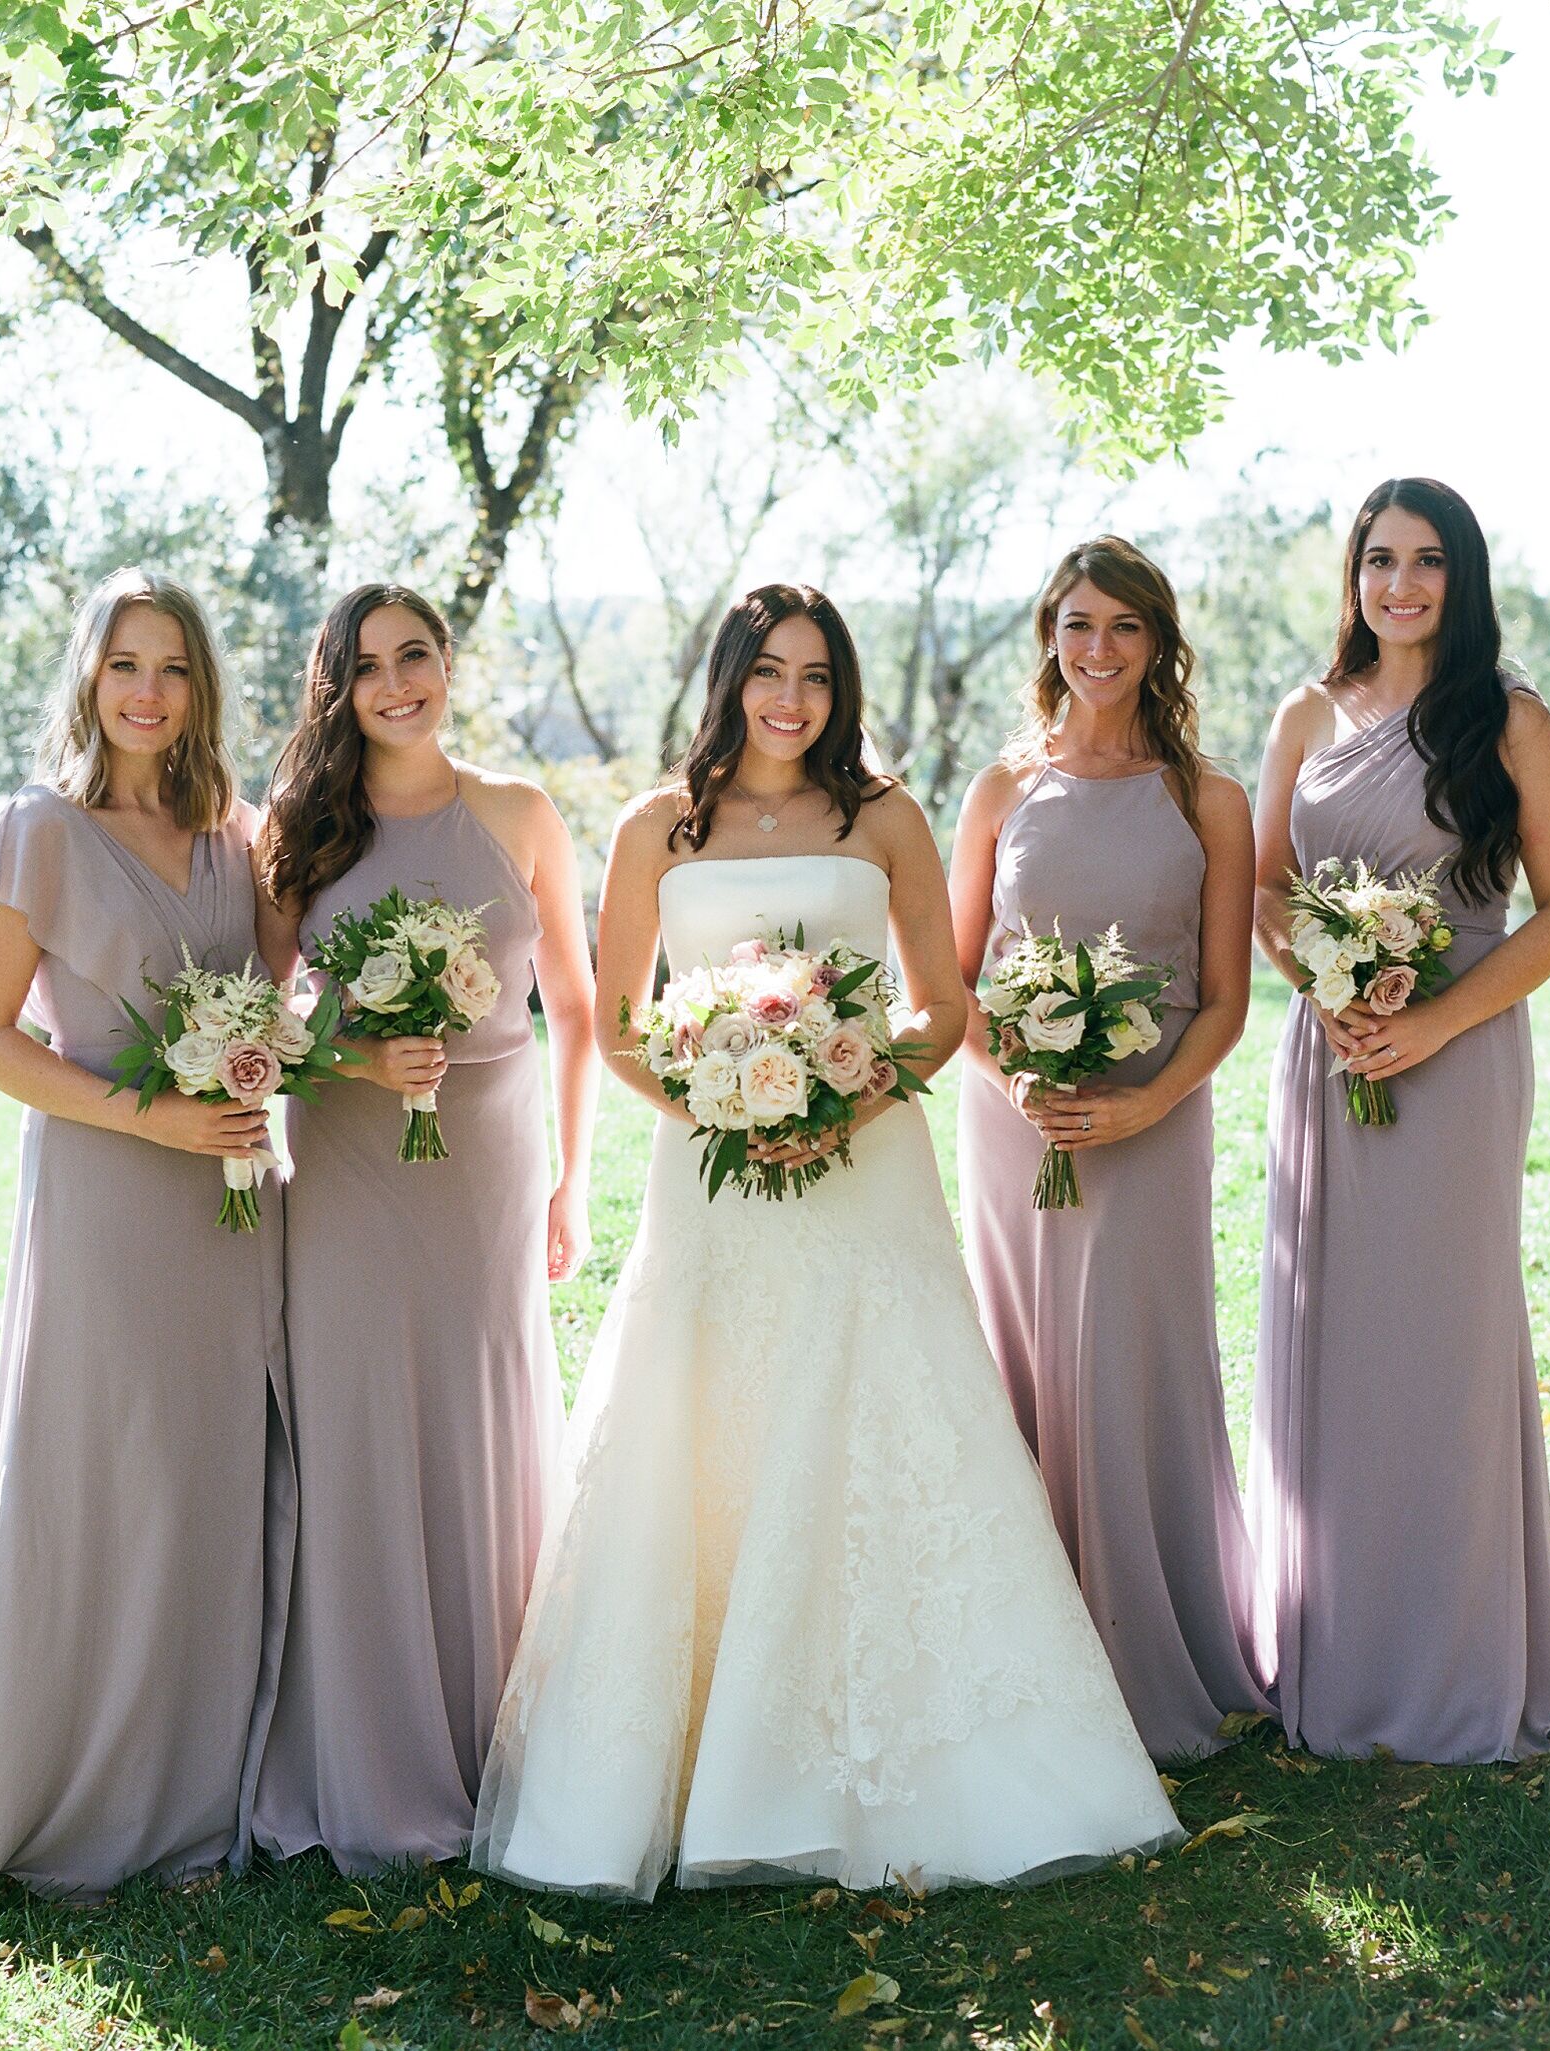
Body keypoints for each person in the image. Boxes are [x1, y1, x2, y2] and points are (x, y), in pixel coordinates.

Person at [471, 582, 1181, 1900]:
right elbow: (623, 1024)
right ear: (729, 678)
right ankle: (686, 1763)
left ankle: (935, 1752)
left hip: (869, 1170)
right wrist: (727, 1097)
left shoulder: (885, 815)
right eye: (767, 672)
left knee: (884, 1420)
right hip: (714, 1178)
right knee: (710, 1426)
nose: (790, 699)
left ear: (840, 690)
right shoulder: (653, 828)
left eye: (814, 676)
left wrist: (841, 1092)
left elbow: (943, 1002)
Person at [0, 568, 292, 1909]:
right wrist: (156, 1119)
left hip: (235, 1198)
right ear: (90, 675)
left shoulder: (233, 834)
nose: (148, 691)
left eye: (174, 667)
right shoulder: (39, 829)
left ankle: (208, 1783)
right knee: (114, 1474)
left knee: (218, 1474)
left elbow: (277, 989)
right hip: (110, 1195)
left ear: (202, 689)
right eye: (126, 663)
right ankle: (86, 1788)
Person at [244, 583, 598, 1875]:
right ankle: (376, 1752)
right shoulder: (302, 829)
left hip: (492, 1170)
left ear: (451, 662)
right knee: (364, 1434)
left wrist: (574, 1180)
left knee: (487, 1422)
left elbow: (576, 1000)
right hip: (349, 1172)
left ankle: (505, 1738)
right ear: (335, 688)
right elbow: (262, 1026)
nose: (398, 683)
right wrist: (350, 1045)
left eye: (417, 655)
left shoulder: (520, 812)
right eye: (369, 666)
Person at [1248, 478, 1550, 1762]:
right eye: (1379, 559)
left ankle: (1453, 1663)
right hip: (1330, 1056)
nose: (1400, 584)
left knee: (1438, 1346)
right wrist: (1324, 987)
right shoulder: (1304, 712)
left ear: (1463, 579)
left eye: (1427, 561)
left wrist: (1434, 1020)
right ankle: (1333, 1653)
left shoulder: (1504, 719)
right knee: (1332, 1333)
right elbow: (1267, 889)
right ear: (1351, 575)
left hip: (1456, 1053)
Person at [948, 536, 1271, 1760]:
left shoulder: (1208, 798)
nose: (1099, 649)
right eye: (1078, 624)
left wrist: (1145, 1105)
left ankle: (1154, 1645)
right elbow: (951, 979)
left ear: (1158, 642)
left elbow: (1228, 996)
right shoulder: (999, 790)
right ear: (1049, 635)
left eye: (1124, 627)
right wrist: (1011, 1075)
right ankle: (1027, 1655)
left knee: (1133, 1366)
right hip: (1013, 1124)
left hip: (1152, 1118)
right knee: (1022, 1360)